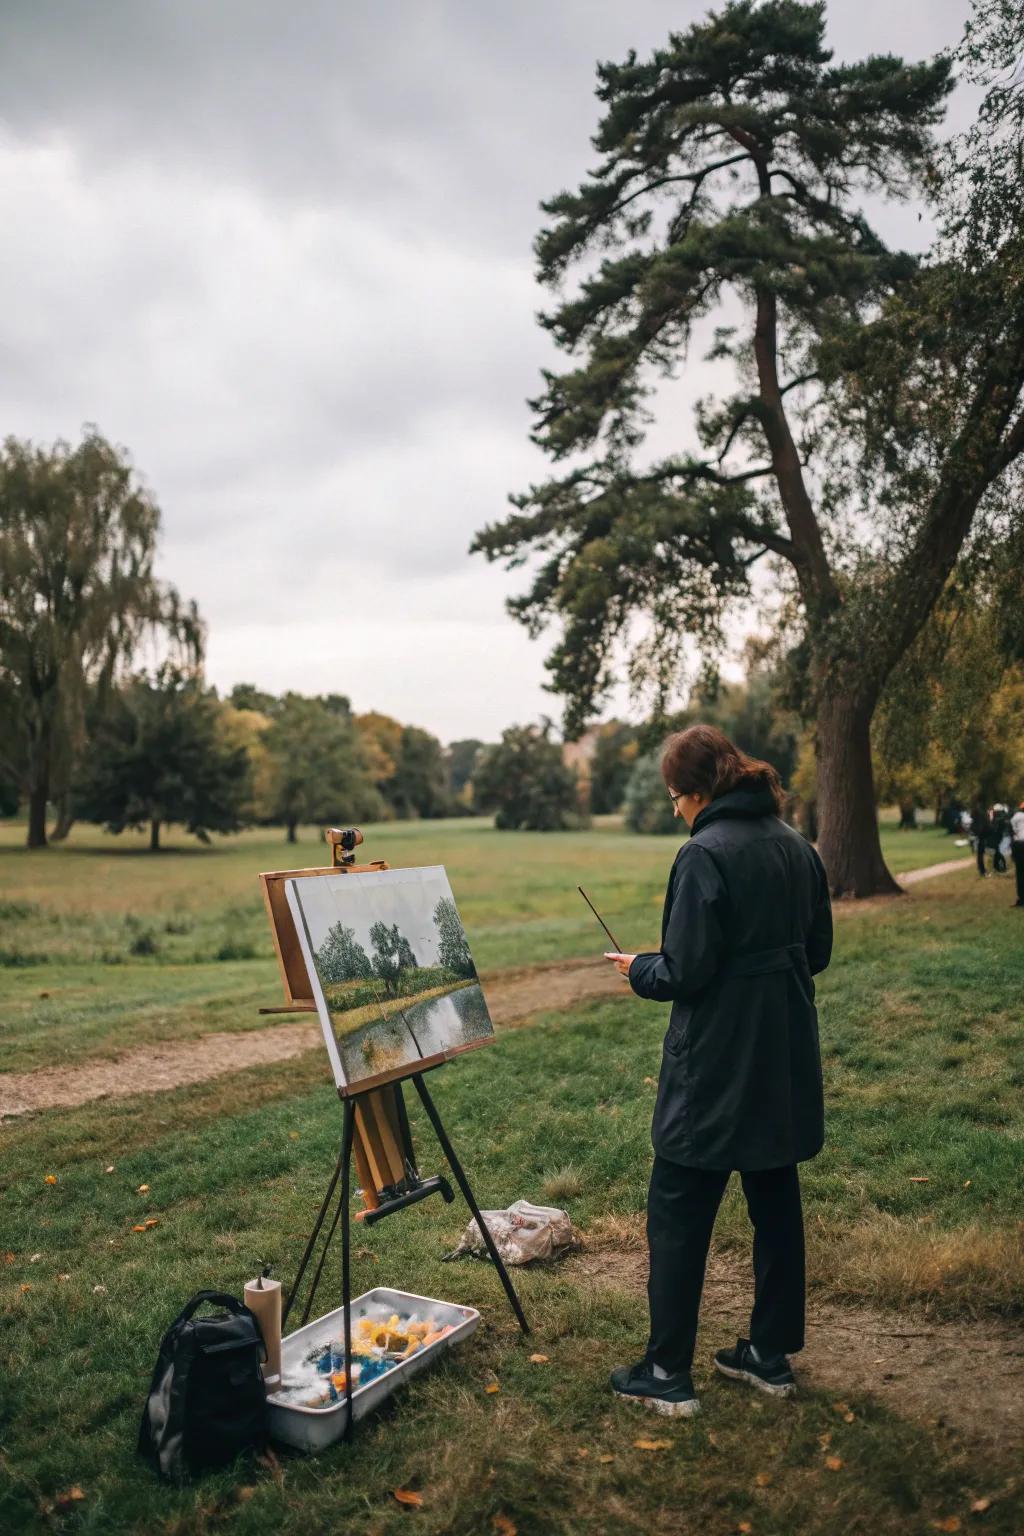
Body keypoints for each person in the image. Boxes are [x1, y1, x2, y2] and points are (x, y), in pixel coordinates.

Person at [603, 724, 832, 1418]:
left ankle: (667, 1370)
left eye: (676, 797)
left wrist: (640, 968)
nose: (675, 809)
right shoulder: (797, 846)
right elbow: (815, 951)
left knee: (677, 1208)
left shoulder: (702, 854)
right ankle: (770, 1356)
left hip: (717, 1064)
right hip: (783, 1052)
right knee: (774, 1200)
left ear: (697, 792)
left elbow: (685, 971)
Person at [972, 804, 990, 877]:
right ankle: (982, 870)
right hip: (981, 838)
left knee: (980, 855)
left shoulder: (977, 820)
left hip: (979, 838)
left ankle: (981, 869)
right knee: (980, 854)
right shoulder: (981, 819)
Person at [1012, 800, 1024, 909]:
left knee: (1020, 873)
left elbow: (1014, 831)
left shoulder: (1016, 817)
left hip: (1020, 844)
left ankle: (1022, 899)